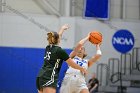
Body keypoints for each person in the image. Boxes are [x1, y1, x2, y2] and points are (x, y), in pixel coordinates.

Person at [36, 24, 87, 93]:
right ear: (58, 40)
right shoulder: (60, 51)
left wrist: (62, 29)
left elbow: (58, 37)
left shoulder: (48, 47)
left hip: (40, 76)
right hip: (49, 76)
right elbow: (72, 64)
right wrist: (82, 68)